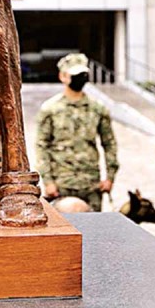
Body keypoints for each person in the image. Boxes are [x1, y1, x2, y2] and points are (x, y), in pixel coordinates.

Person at [36, 52, 118, 211]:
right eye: (75, 74)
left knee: (93, 231)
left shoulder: (98, 109)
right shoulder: (50, 109)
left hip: (91, 184)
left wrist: (110, 177)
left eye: (83, 74)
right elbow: (41, 146)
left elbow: (109, 144)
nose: (80, 77)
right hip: (61, 184)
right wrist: (48, 181)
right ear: (63, 76)